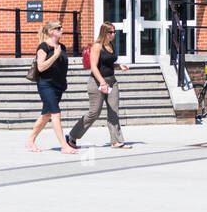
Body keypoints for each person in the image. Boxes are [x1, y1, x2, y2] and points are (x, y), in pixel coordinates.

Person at [66, 23, 130, 149]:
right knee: (94, 113)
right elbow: (94, 67)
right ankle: (72, 136)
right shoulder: (97, 46)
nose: (113, 34)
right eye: (111, 32)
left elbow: (108, 64)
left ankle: (116, 141)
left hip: (112, 81)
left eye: (114, 32)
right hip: (96, 82)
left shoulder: (110, 45)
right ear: (104, 32)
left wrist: (118, 66)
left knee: (114, 112)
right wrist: (102, 82)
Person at [26, 18, 75, 154]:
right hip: (46, 85)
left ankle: (30, 140)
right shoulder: (44, 47)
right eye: (59, 28)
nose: (62, 30)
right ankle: (64, 146)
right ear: (51, 31)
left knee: (46, 115)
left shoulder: (62, 47)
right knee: (56, 114)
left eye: (61, 27)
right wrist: (54, 56)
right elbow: (40, 67)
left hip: (59, 85)